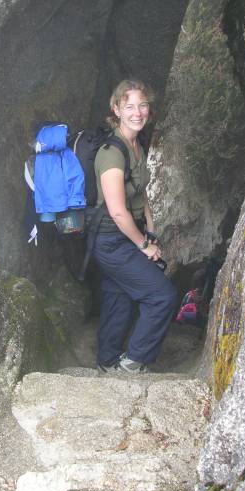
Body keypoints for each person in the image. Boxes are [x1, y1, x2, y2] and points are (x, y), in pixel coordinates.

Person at [91, 79, 177, 374]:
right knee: (161, 296)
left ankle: (107, 360)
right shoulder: (111, 153)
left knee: (119, 296)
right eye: (129, 106)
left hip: (127, 235)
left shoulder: (135, 144)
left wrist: (150, 226)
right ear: (116, 109)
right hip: (112, 241)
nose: (138, 112)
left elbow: (138, 192)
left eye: (143, 105)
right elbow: (117, 210)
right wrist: (144, 245)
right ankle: (133, 363)